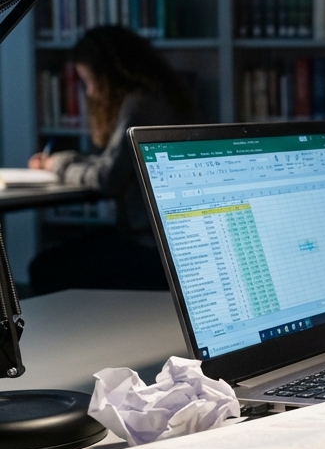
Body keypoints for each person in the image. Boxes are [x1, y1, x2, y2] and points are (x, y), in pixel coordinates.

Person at [27, 25, 198, 294]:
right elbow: (115, 163)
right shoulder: (164, 97)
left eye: (90, 81)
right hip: (169, 242)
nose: (91, 93)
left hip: (152, 247)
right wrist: (70, 159)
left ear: (110, 75)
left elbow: (109, 178)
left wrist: (55, 164)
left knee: (46, 267)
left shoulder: (140, 106)